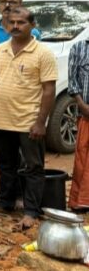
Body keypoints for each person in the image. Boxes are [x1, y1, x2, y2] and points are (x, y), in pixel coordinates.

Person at [0, 7, 56, 230]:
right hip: (1, 119)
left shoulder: (43, 53)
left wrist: (40, 122)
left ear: (32, 25)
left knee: (33, 167)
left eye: (21, 22)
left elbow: (49, 90)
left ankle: (31, 210)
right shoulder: (0, 49)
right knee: (5, 163)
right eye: (12, 22)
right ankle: (6, 202)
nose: (16, 26)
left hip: (29, 121)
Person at [68, 38, 89, 211]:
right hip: (86, 114)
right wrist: (82, 105)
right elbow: (72, 81)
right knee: (83, 159)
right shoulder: (79, 47)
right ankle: (81, 202)